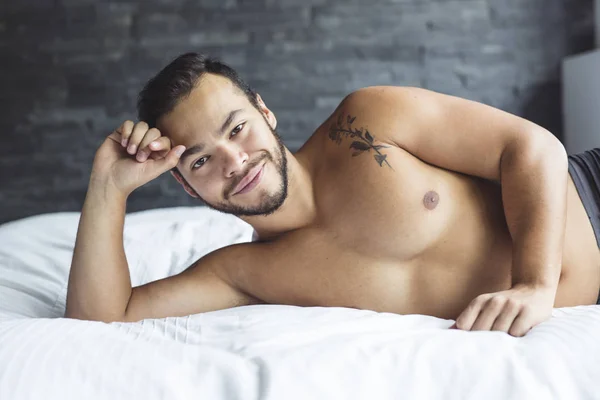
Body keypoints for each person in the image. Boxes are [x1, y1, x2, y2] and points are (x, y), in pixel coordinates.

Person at [64, 52, 600, 337]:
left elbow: (531, 148)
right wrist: (107, 187)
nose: (235, 161)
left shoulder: (364, 121)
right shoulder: (246, 272)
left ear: (264, 111)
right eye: (201, 160)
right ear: (182, 182)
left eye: (237, 129)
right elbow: (101, 318)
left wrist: (534, 285)